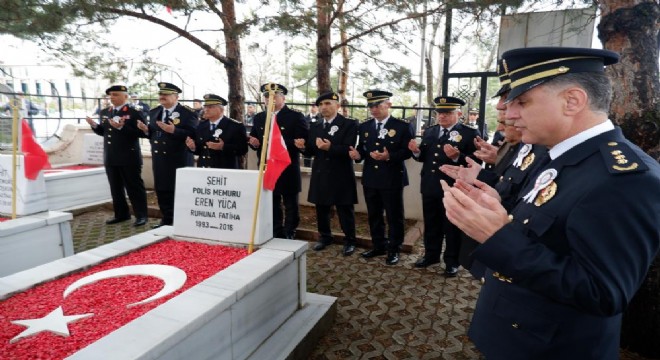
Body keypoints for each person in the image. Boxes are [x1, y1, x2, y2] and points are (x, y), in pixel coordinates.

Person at [440, 47, 660, 359]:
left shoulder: (626, 179)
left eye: (522, 101)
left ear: (572, 101)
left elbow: (603, 294)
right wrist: (498, 206)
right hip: (514, 331)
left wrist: (497, 237)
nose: (509, 112)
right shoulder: (555, 153)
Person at [407, 96, 480, 276]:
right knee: (431, 223)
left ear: (459, 114)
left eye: (447, 113)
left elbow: (477, 162)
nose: (442, 117)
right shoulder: (431, 131)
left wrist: (457, 157)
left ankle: (452, 261)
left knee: (452, 226)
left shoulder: (470, 133)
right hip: (430, 184)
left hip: (454, 187)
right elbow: (424, 157)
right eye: (439, 113)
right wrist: (416, 152)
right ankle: (431, 255)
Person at [348, 90, 412, 265]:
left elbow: (407, 152)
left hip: (392, 178)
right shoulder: (366, 126)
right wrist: (357, 155)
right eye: (370, 106)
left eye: (377, 105)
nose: (373, 109)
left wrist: (389, 156)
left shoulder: (402, 126)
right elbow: (362, 149)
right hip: (371, 178)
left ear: (388, 105)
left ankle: (394, 249)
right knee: (374, 215)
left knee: (394, 216)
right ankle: (379, 246)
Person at [294, 91, 359, 256]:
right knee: (321, 207)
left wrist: (330, 148)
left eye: (328, 103)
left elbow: (348, 148)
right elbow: (311, 150)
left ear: (337, 105)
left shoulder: (349, 124)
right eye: (321, 104)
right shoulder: (315, 125)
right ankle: (325, 237)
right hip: (320, 172)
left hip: (341, 173)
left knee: (345, 208)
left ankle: (350, 240)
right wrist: (302, 147)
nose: (324, 107)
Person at [248, 83, 308, 239]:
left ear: (283, 98)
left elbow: (301, 141)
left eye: (274, 96)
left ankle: (290, 231)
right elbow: (256, 139)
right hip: (267, 166)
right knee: (272, 200)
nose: (270, 99)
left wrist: (277, 143)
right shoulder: (260, 117)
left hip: (287, 166)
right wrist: (254, 142)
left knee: (290, 202)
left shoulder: (295, 116)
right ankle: (276, 229)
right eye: (267, 96)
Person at [85, 85, 148, 226]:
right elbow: (105, 132)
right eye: (110, 95)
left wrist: (122, 127)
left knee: (134, 188)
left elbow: (143, 133)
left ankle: (141, 216)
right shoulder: (105, 112)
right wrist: (95, 126)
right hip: (111, 156)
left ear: (125, 96)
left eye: (115, 94)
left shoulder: (134, 112)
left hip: (129, 157)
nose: (112, 97)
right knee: (115, 188)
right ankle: (121, 214)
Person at [137, 82, 198, 228]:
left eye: (166, 94)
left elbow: (194, 134)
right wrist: (145, 130)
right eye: (160, 94)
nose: (162, 97)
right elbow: (153, 133)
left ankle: (182, 221)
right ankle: (166, 219)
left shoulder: (187, 113)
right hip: (159, 158)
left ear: (176, 97)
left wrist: (174, 131)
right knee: (162, 189)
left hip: (178, 158)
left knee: (179, 190)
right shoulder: (154, 112)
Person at [185, 93, 247, 169]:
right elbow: (200, 149)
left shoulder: (235, 126)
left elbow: (243, 149)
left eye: (210, 107)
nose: (206, 109)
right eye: (205, 107)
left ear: (221, 109)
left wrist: (223, 147)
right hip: (204, 169)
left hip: (225, 171)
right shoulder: (201, 126)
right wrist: (192, 147)